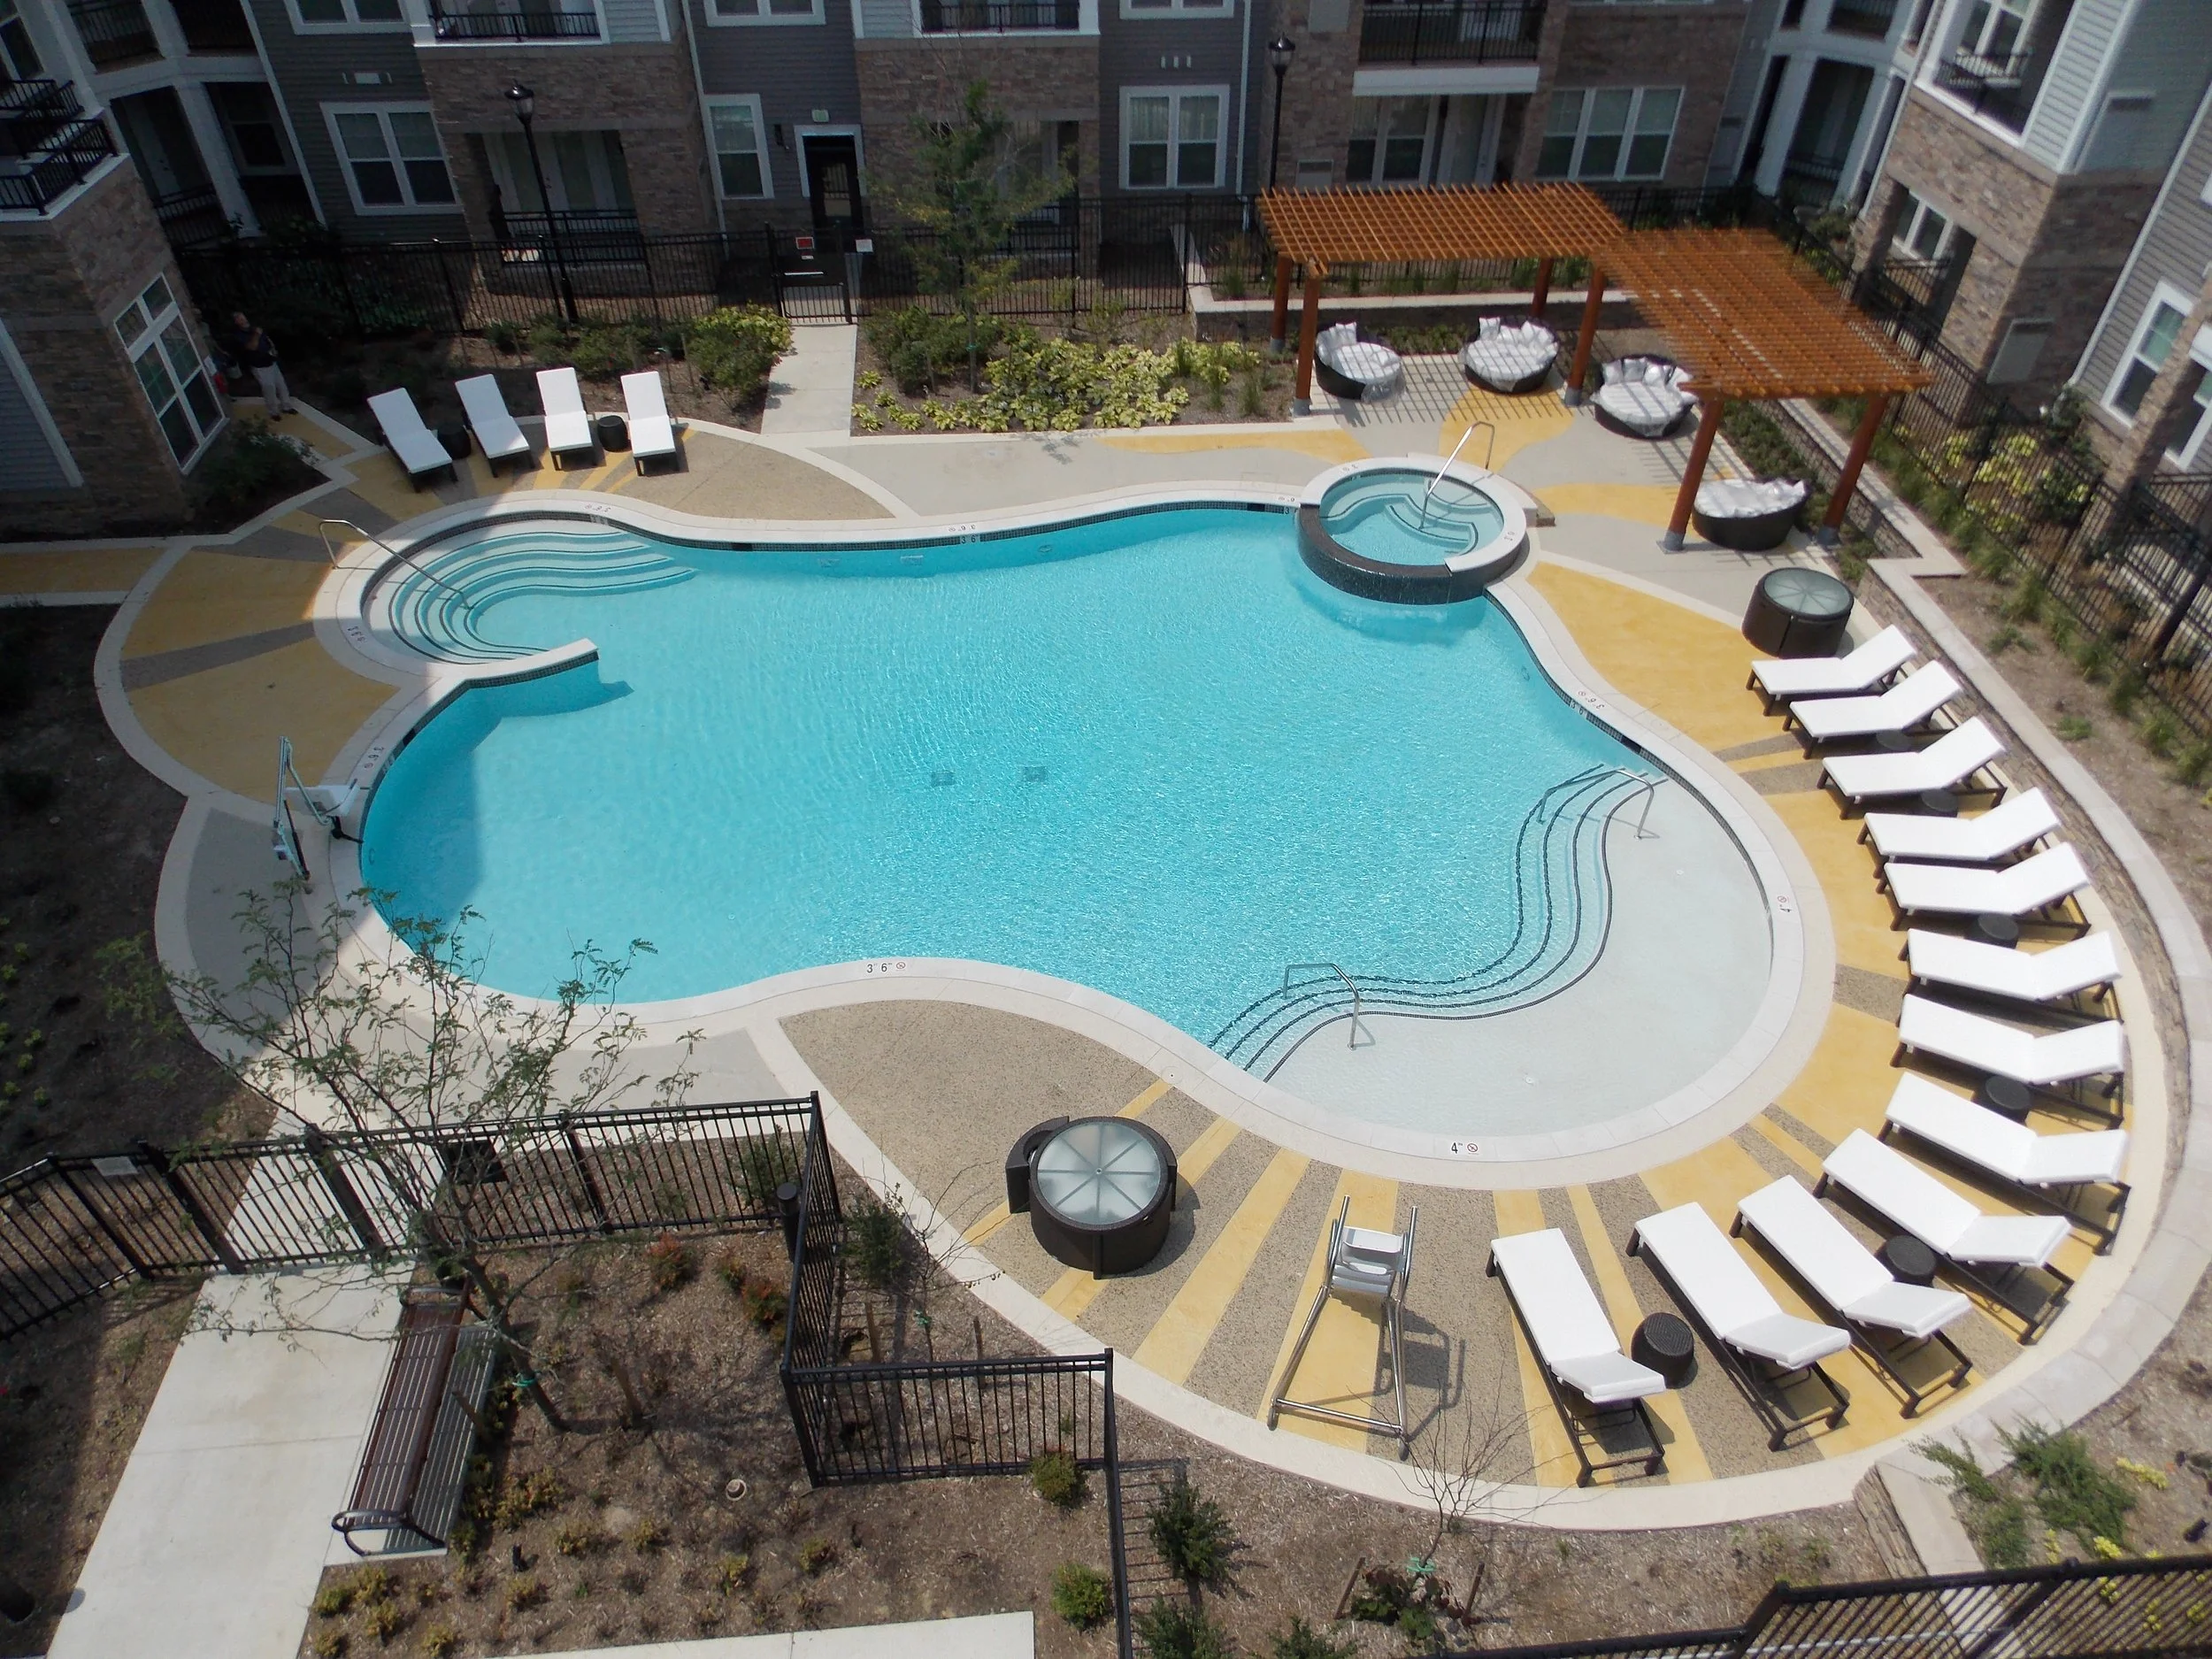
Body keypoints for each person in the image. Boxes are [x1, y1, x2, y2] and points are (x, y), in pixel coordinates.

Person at [228, 312, 295, 419]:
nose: (243, 319)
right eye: (239, 319)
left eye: (243, 317)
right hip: (259, 366)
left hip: (271, 361)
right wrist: (257, 335)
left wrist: (273, 349)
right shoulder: (239, 336)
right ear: (236, 322)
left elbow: (267, 339)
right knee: (269, 388)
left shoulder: (254, 328)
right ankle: (274, 412)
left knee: (281, 385)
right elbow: (252, 347)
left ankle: (287, 407)